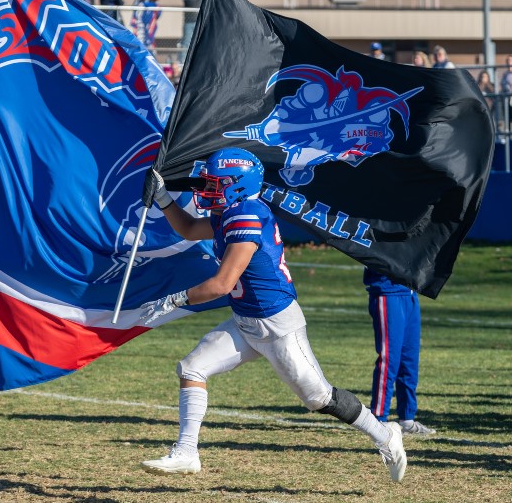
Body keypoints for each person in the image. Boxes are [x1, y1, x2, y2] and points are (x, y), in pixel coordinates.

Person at [139, 148, 407, 482]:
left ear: (237, 184)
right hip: (246, 320)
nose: (206, 189)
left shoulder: (246, 214)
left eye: (214, 182)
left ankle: (385, 435)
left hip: (277, 325)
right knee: (192, 368)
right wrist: (164, 198)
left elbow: (223, 284)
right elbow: (191, 229)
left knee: (318, 397)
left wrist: (175, 300)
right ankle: (186, 452)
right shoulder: (231, 211)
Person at [364, 268, 435, 436]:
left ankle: (407, 418)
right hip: (387, 292)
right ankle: (379, 418)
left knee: (409, 360)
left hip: (409, 292)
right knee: (389, 360)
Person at [178, 0, 202, 64]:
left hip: (200, 22)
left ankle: (198, 62)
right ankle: (182, 63)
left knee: (200, 43)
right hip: (189, 23)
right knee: (186, 43)